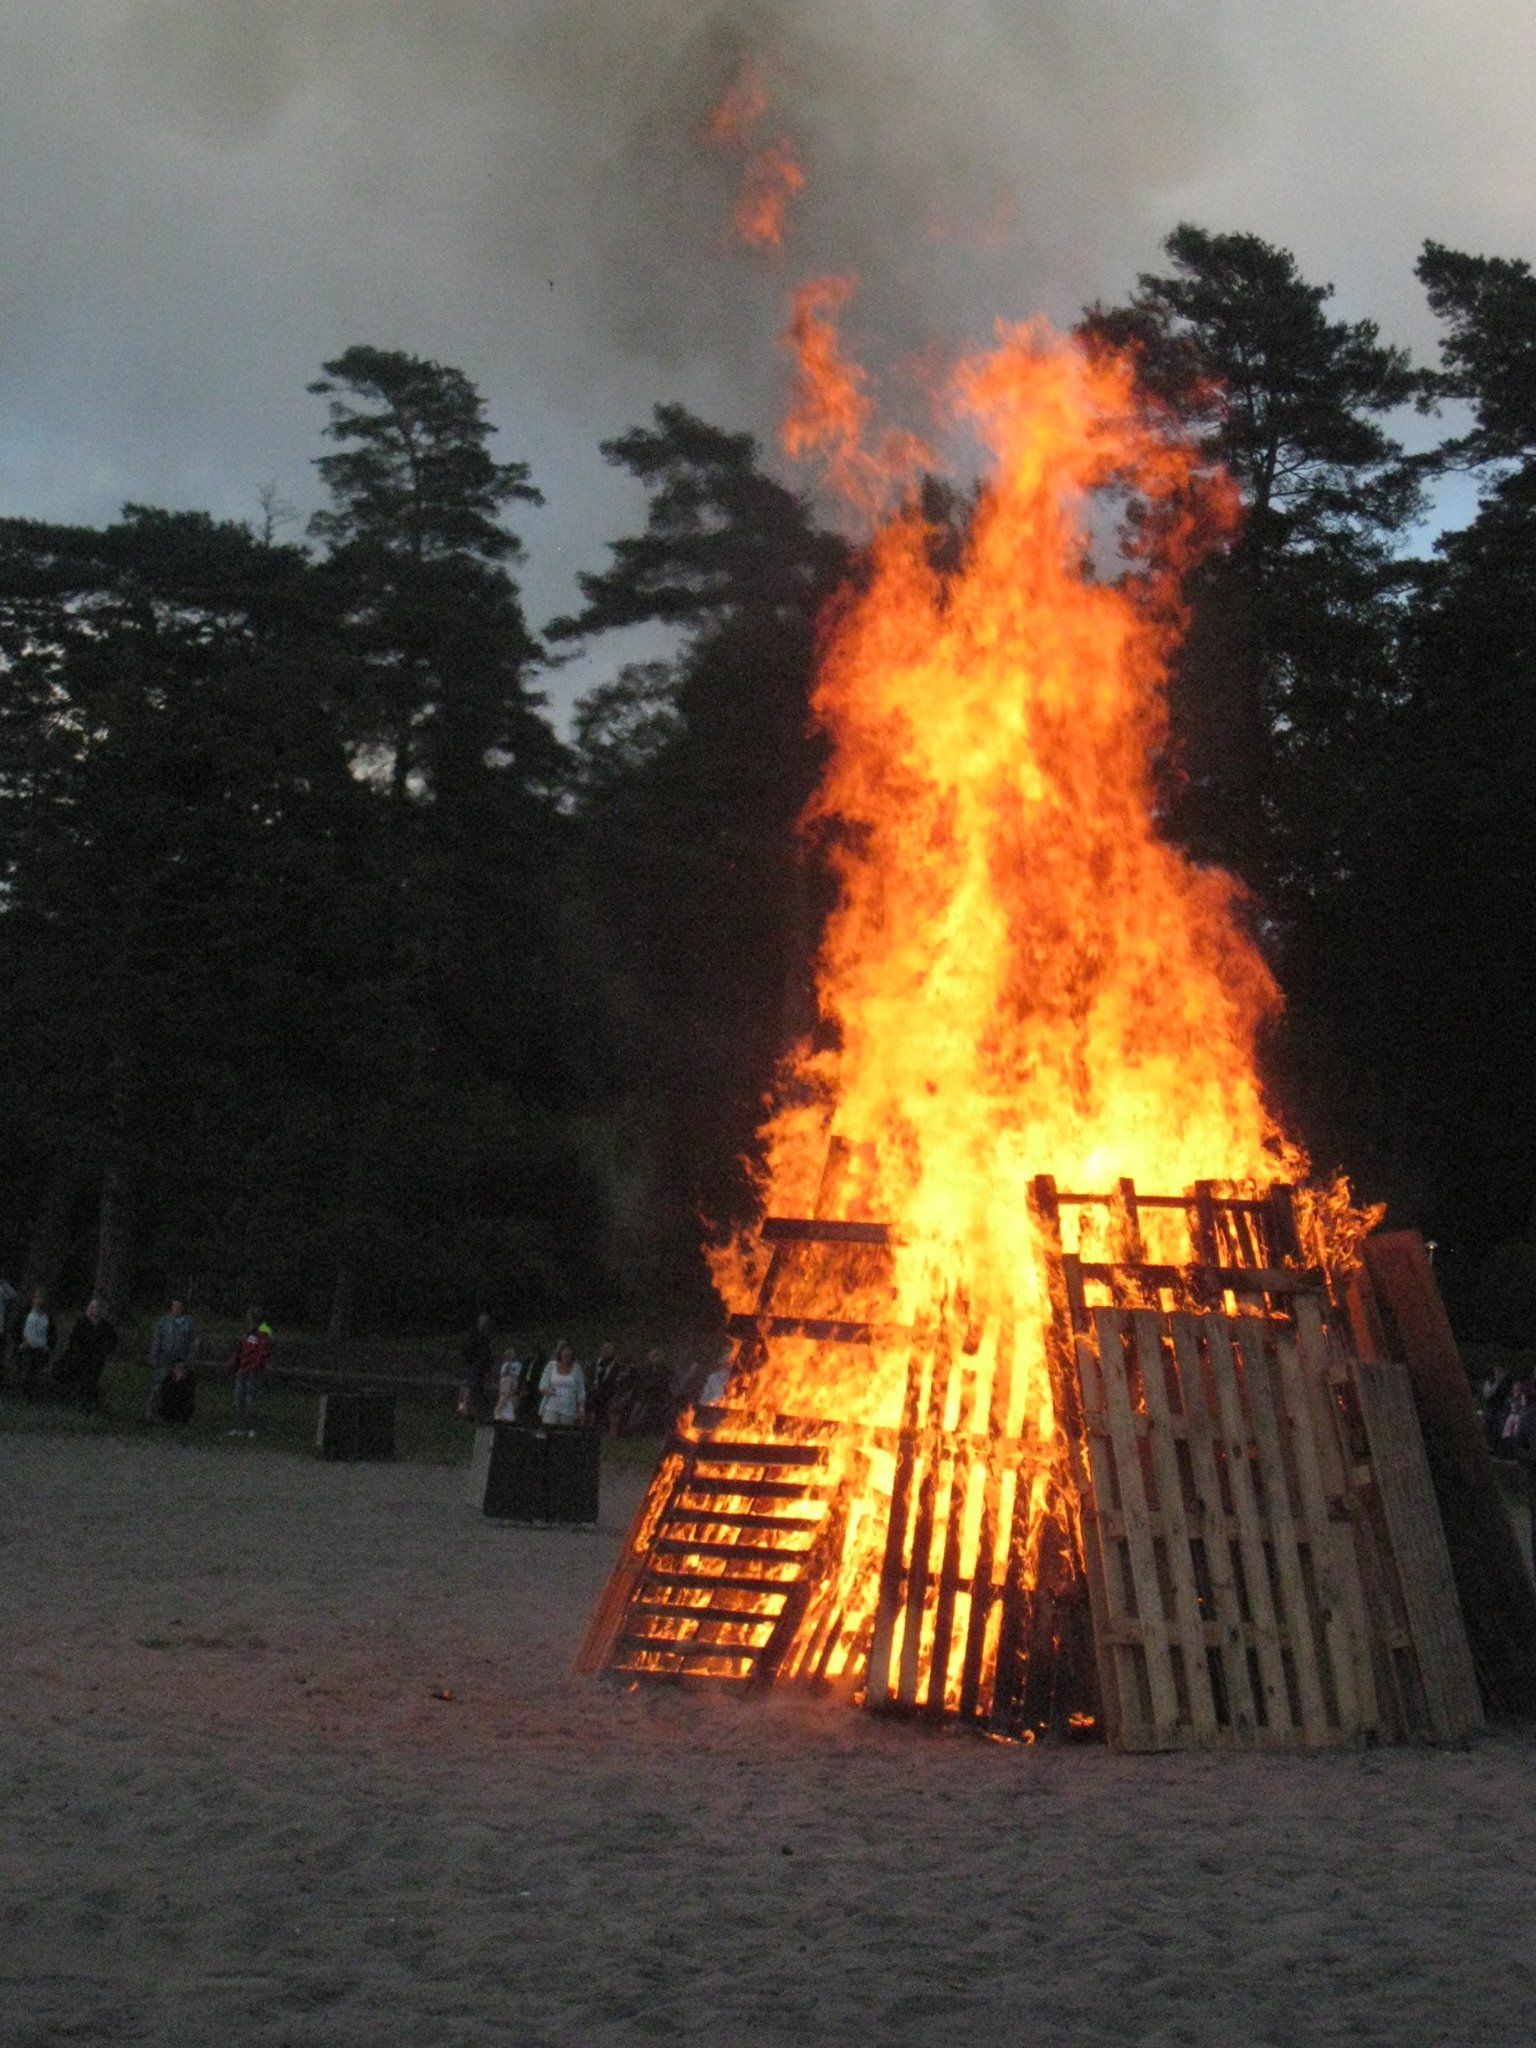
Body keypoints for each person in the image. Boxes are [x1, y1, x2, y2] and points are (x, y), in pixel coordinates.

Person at [52, 1298, 119, 1409]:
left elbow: (112, 1341)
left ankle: (86, 1400)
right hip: (79, 1356)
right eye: (91, 1307)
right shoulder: (81, 1323)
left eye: (95, 1308)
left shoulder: (105, 1327)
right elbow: (73, 1340)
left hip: (96, 1358)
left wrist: (104, 1351)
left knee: (90, 1377)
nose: (93, 1310)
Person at [146, 1297, 198, 1422]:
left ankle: (177, 1415)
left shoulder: (188, 1323)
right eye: (174, 1306)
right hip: (164, 1360)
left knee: (178, 1388)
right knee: (158, 1387)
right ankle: (152, 1413)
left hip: (180, 1363)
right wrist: (154, 1357)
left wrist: (188, 1362)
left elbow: (193, 1344)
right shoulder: (164, 1321)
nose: (176, 1309)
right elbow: (157, 1339)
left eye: (179, 1306)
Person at [229, 1312, 272, 1438]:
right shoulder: (246, 1333)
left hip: (253, 1371)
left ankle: (252, 1427)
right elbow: (240, 1349)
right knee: (238, 1399)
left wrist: (254, 1367)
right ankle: (239, 1427)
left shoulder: (263, 1332)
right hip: (242, 1369)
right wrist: (235, 1364)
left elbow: (262, 1352)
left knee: (251, 1400)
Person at [15, 1289, 56, 1401]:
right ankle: (23, 1396)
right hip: (27, 1348)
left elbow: (52, 1334)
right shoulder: (26, 1313)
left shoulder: (48, 1316)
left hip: (41, 1349)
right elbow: (16, 1329)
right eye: (37, 1297)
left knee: (36, 1373)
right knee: (26, 1371)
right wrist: (21, 1342)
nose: (39, 1300)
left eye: (41, 1297)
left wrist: (49, 1346)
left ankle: (33, 1397)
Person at [538, 1341, 586, 1428]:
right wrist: (547, 1390)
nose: (567, 1357)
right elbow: (542, 1384)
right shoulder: (551, 1365)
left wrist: (581, 1409)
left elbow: (581, 1391)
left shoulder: (577, 1369)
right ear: (560, 1353)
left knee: (564, 1434)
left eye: (569, 1354)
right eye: (565, 1353)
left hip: (569, 1409)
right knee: (548, 1431)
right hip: (551, 1406)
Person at [458, 1311, 495, 1422]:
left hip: (480, 1368)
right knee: (469, 1387)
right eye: (484, 1321)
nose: (485, 1323)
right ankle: (464, 1407)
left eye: (486, 1321)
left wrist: (487, 1367)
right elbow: (467, 1351)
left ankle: (476, 1413)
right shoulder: (474, 1335)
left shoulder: (485, 1337)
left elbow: (487, 1354)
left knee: (477, 1390)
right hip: (474, 1366)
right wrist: (473, 1362)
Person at [589, 1342, 623, 1433]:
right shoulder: (595, 1363)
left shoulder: (616, 1366)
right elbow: (590, 1377)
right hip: (594, 1391)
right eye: (605, 1350)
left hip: (608, 1393)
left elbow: (617, 1382)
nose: (606, 1352)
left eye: (609, 1350)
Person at [492, 1346, 522, 1422]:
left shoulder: (518, 1364)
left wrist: (511, 1373)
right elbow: (502, 1374)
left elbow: (517, 1374)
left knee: (510, 1399)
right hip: (505, 1383)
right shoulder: (505, 1364)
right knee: (504, 1396)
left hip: (513, 1383)